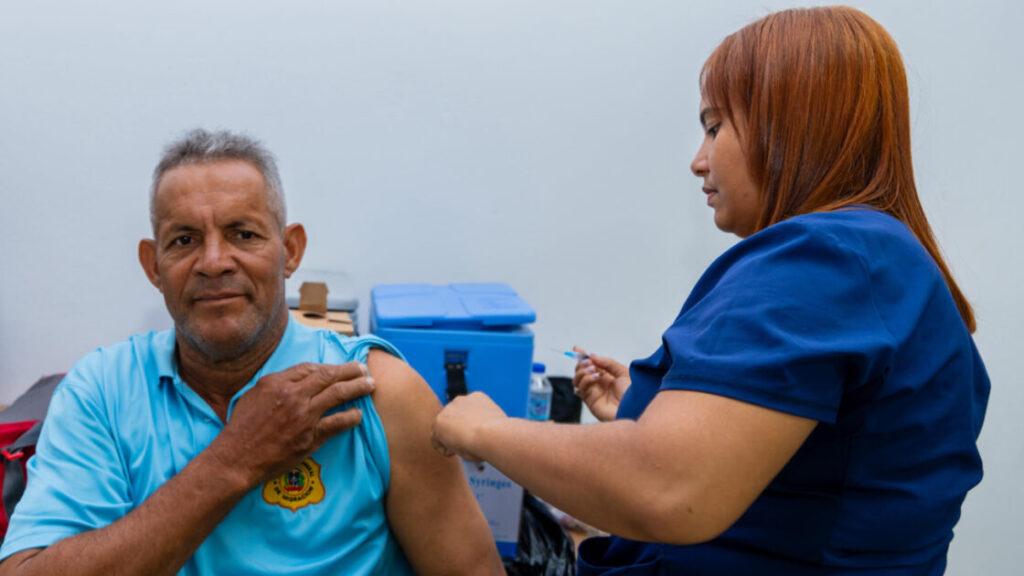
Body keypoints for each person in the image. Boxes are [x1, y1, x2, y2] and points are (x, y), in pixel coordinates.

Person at [432, 6, 989, 575]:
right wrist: (643, 409)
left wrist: (484, 430)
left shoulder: (823, 259)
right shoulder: (892, 266)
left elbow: (666, 489)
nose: (699, 161)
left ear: (794, 122)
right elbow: (817, 471)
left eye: (715, 126)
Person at [0, 129, 504, 576]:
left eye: (243, 234)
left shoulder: (379, 392)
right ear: (153, 265)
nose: (214, 262)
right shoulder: (100, 393)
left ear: (290, 251)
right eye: (184, 239)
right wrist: (236, 457)